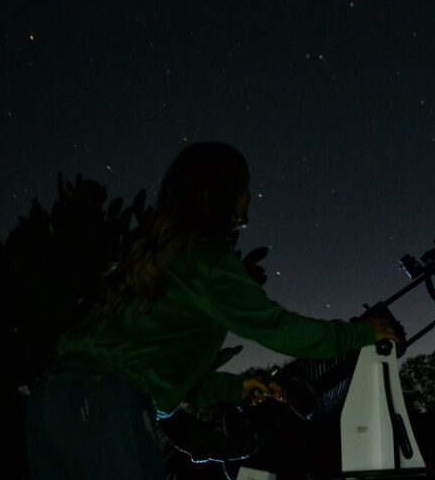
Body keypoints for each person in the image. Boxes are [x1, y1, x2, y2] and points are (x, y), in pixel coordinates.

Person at [25, 142, 400, 478]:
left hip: (52, 404)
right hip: (104, 405)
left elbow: (154, 360)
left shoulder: (160, 255)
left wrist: (232, 388)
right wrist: (363, 332)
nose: (249, 202)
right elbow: (278, 329)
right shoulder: (207, 259)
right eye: (244, 189)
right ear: (223, 193)